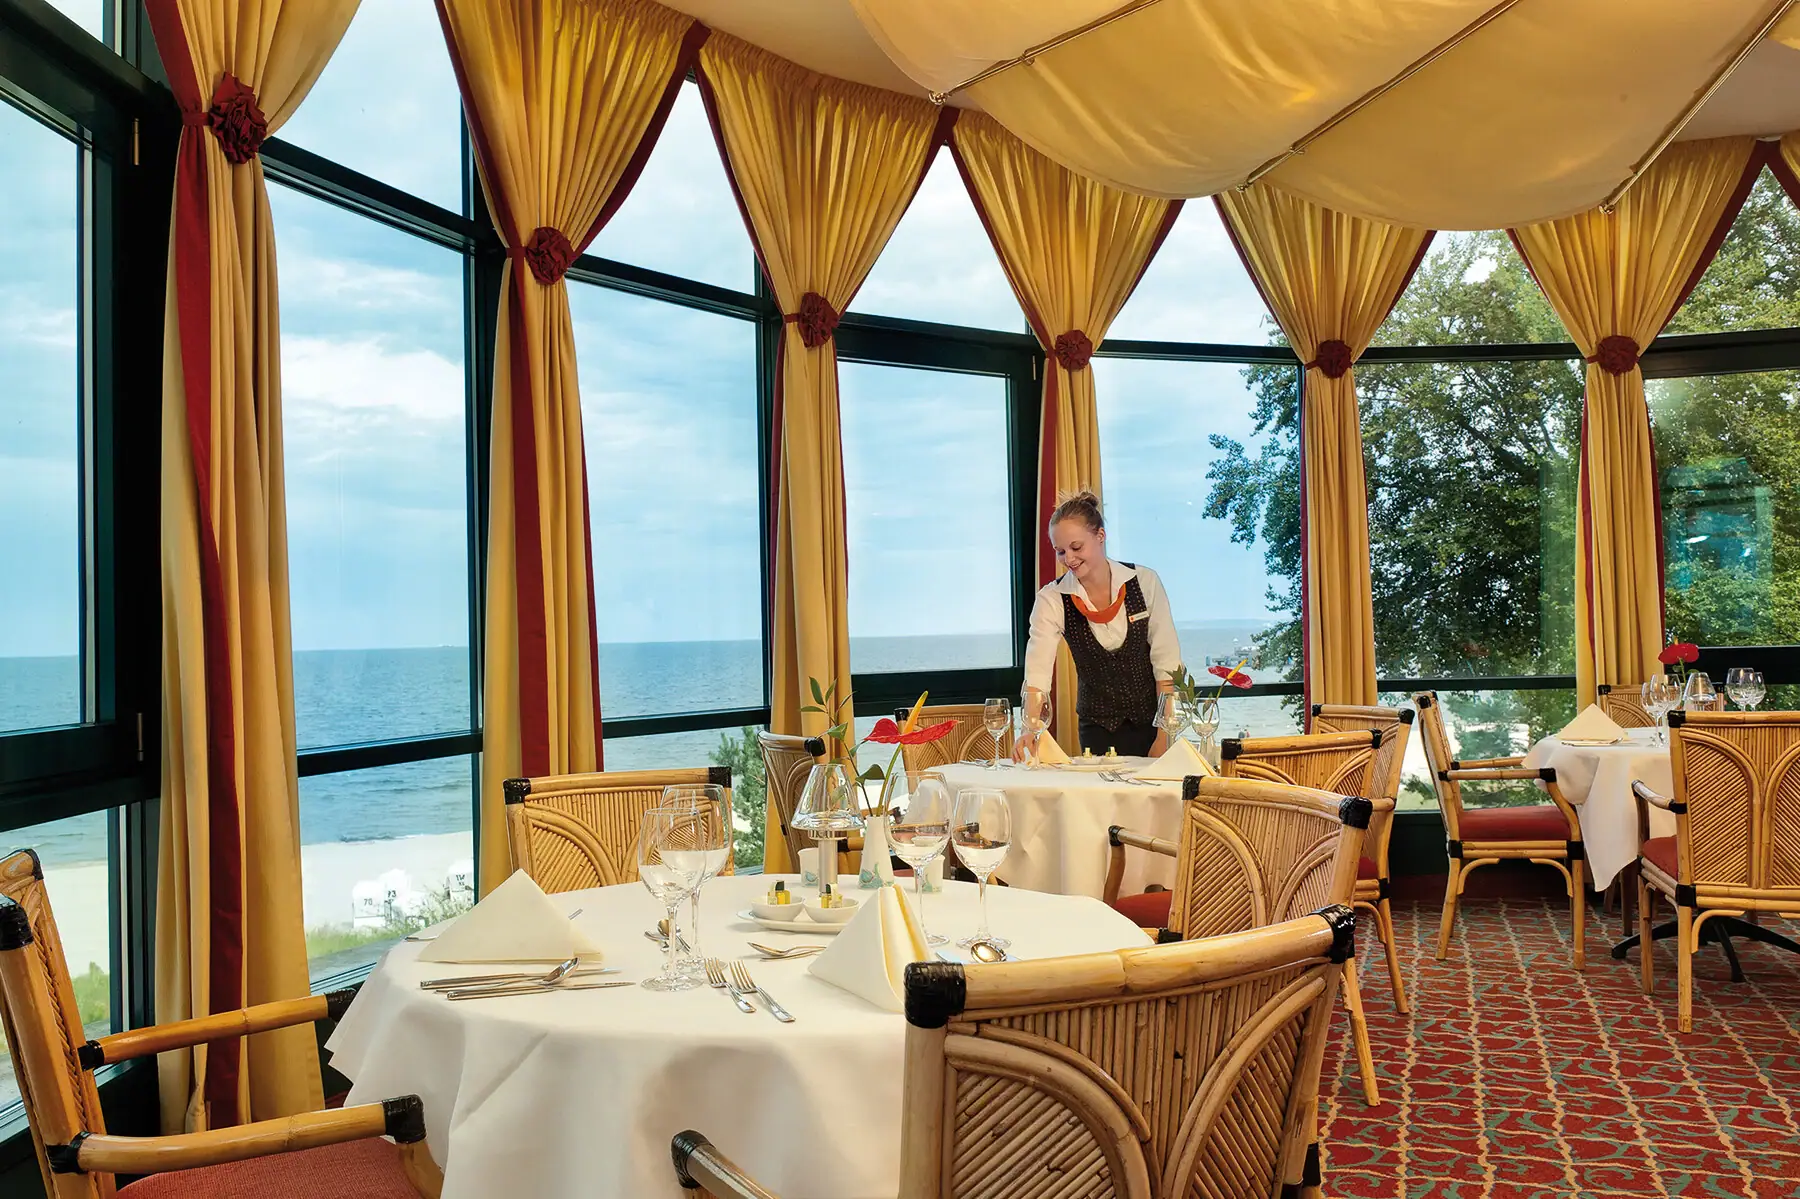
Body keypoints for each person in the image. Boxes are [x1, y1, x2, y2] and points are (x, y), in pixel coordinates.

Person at [1018, 490, 1182, 759]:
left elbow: (1167, 665)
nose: (1068, 559)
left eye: (1076, 547)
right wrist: (1030, 728)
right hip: (1097, 729)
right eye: (1060, 551)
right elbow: (1037, 674)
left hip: (1153, 725)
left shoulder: (1144, 582)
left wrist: (1165, 735)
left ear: (1100, 536)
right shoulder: (1052, 599)